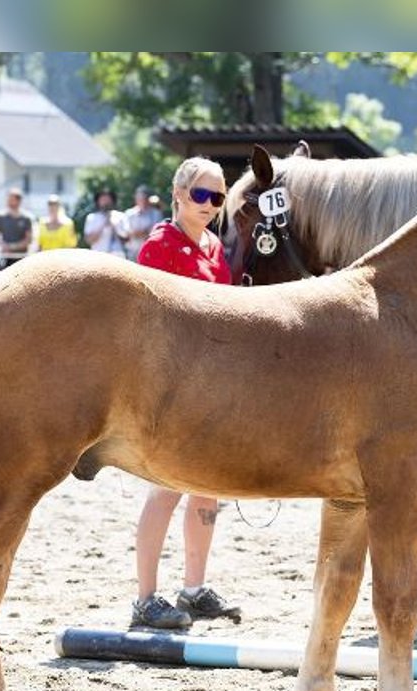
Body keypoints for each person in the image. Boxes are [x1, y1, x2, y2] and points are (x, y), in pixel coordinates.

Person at [127, 157, 242, 630]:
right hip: (172, 388)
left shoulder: (215, 247)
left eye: (218, 197)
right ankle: (145, 597)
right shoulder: (160, 246)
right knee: (166, 489)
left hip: (211, 386)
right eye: (201, 195)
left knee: (208, 491)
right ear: (178, 194)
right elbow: (148, 323)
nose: (211, 205)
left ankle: (193, 588)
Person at [0, 188, 33, 269]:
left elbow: (29, 239)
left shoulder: (26, 218)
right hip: (5, 257)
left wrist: (12, 247)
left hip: (21, 258)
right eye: (8, 198)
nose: (8, 201)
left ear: (19, 201)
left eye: (12, 199)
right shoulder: (0, 217)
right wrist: (3, 246)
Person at [83, 188, 129, 257]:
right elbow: (89, 240)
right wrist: (103, 224)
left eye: (108, 200)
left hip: (118, 256)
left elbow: (127, 238)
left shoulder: (121, 216)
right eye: (103, 200)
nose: (106, 203)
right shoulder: (92, 217)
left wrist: (114, 226)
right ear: (98, 201)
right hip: (98, 255)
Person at [123, 184, 163, 260]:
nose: (142, 200)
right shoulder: (129, 213)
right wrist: (144, 232)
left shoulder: (156, 213)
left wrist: (139, 233)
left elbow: (156, 233)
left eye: (145, 197)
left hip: (151, 252)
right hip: (132, 252)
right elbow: (126, 233)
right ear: (136, 198)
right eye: (140, 198)